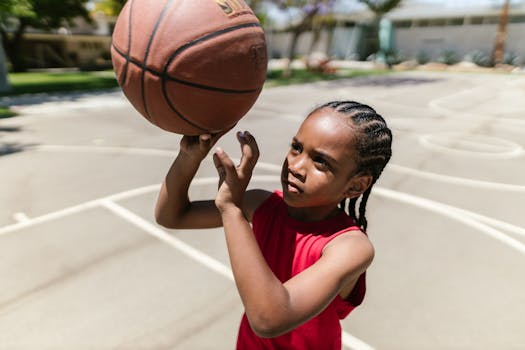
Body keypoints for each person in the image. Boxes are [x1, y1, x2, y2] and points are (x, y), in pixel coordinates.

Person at [155, 100, 393, 349]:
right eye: (296, 147)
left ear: (356, 186)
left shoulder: (349, 246)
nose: (296, 166)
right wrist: (188, 157)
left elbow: (269, 319)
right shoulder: (264, 205)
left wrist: (231, 209)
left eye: (321, 162)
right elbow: (172, 216)